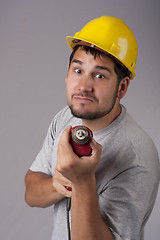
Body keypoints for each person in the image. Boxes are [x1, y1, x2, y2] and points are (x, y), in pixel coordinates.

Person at [25, 16, 160, 240]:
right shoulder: (66, 117)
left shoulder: (137, 159)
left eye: (99, 75)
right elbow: (31, 192)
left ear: (122, 87)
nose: (84, 87)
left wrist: (82, 181)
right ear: (67, 72)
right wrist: (58, 184)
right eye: (78, 71)